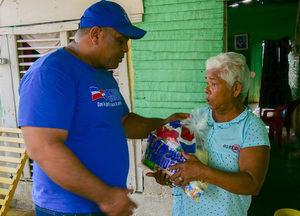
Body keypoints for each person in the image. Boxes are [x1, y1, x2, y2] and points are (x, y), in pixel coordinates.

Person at [18, 1, 188, 216]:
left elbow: (123, 122)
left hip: (103, 205)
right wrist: (104, 196)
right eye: (121, 40)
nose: (125, 48)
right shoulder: (50, 73)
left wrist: (162, 123)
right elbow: (43, 147)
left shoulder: (102, 74)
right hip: (67, 209)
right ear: (96, 34)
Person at [146, 52, 270, 216]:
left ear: (235, 88)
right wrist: (170, 176)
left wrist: (202, 172)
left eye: (213, 84)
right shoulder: (198, 117)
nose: (206, 89)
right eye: (207, 83)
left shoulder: (251, 128)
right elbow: (184, 165)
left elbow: (253, 184)